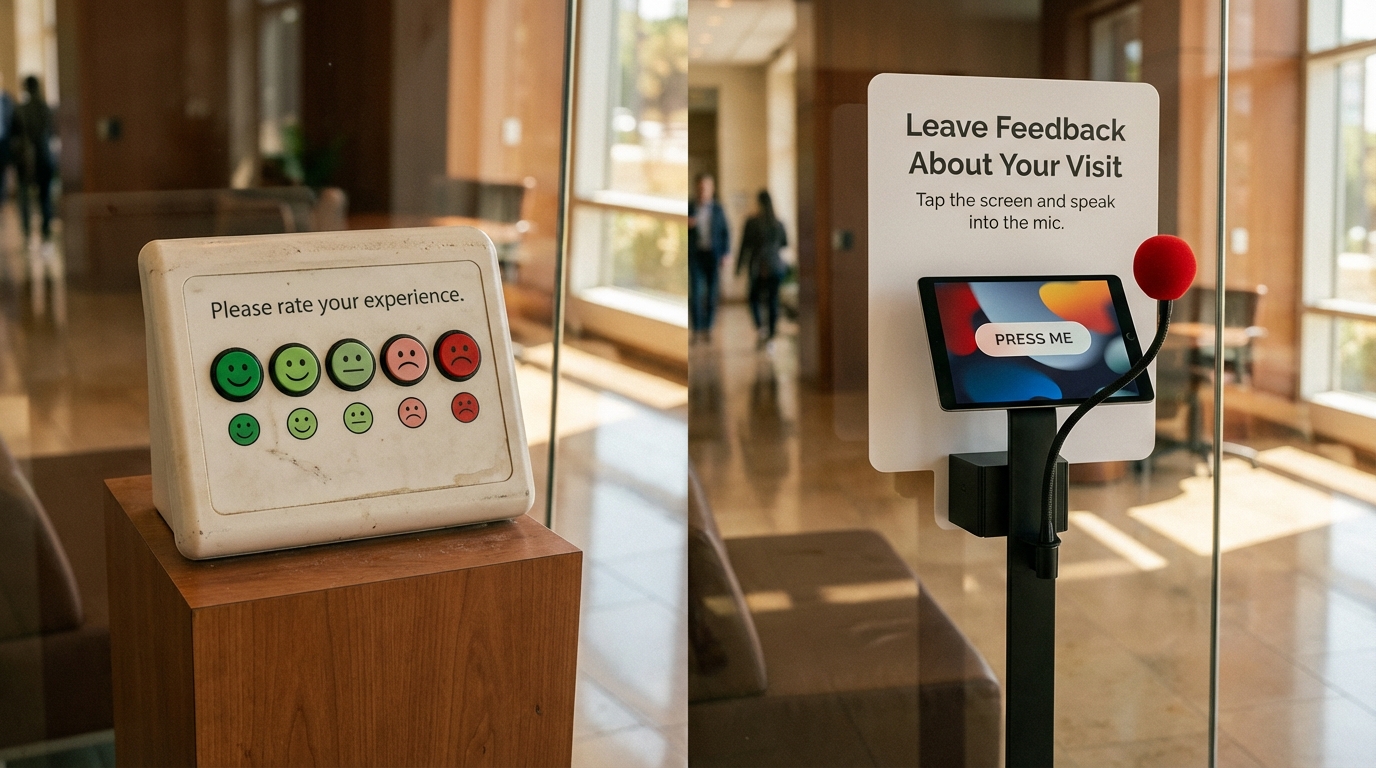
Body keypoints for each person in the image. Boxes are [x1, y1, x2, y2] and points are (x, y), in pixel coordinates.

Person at [735, 190, 787, 347]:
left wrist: (739, 267)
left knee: (754, 298)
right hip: (775, 266)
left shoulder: (752, 222)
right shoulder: (778, 223)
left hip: (759, 266)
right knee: (772, 300)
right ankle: (771, 333)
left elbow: (744, 246)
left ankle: (761, 328)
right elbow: (784, 243)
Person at [12, 75, 55, 245]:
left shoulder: (21, 110)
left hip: (26, 158)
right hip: (43, 157)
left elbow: (15, 136)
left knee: (25, 196)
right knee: (44, 196)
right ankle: (45, 229)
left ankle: (27, 231)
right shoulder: (45, 108)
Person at [688, 173, 729, 340]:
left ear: (712, 189)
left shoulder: (718, 209)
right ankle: (697, 329)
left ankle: (708, 328)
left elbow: (725, 232)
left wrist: (726, 253)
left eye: (706, 187)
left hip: (713, 255)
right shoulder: (690, 207)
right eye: (700, 187)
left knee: (712, 294)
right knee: (696, 293)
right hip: (696, 255)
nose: (703, 190)